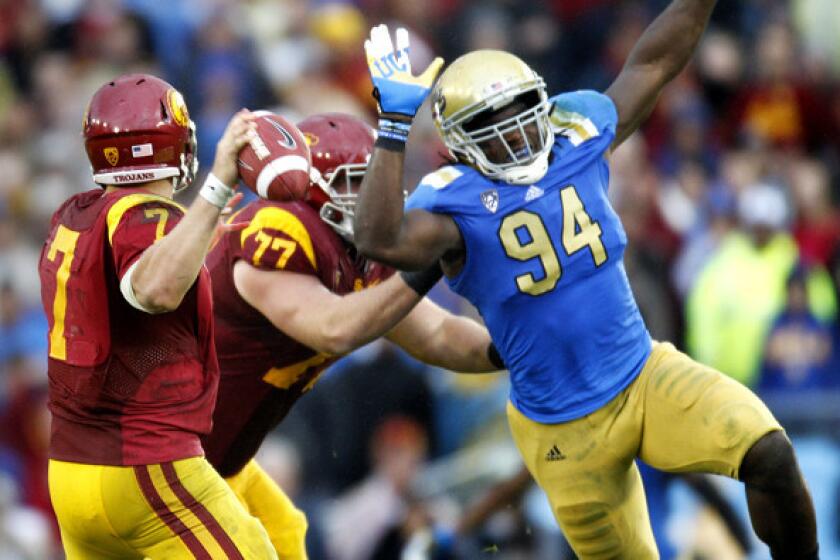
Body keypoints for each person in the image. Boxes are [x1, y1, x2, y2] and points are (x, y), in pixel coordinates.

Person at [352, 3, 820, 558]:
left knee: (769, 453)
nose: (515, 134)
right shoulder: (450, 204)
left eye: (522, 112)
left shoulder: (575, 135)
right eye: (490, 127)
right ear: (459, 142)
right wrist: (393, 126)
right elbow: (377, 238)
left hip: (644, 375)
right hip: (562, 432)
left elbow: (653, 64)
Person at [202, 112, 502, 559]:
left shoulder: (357, 255)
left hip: (220, 459)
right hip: (164, 452)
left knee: (286, 535)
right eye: (355, 182)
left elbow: (437, 333)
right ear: (313, 188)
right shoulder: (278, 230)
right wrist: (429, 262)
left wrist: (515, 347)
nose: (370, 199)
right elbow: (335, 328)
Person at [39, 74, 276, 559]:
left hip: (71, 474)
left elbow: (133, 263)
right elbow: (153, 287)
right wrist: (215, 188)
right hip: (143, 466)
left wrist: (201, 222)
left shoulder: (74, 213)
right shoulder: (149, 219)